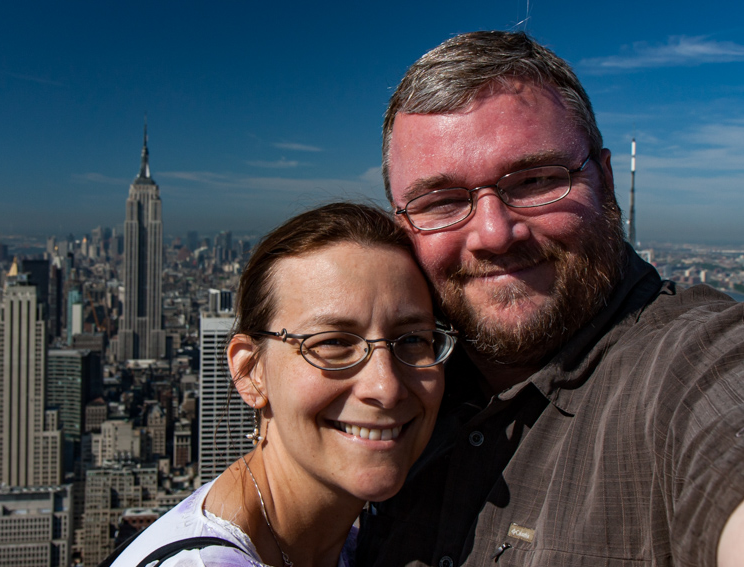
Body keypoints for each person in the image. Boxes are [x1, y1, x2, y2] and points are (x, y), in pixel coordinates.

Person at [356, 30, 744, 567]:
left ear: (605, 181)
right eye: (442, 201)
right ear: (401, 226)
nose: (493, 233)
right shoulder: (394, 388)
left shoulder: (692, 364)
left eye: (536, 180)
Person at [111, 202, 457, 567]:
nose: (386, 387)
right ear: (250, 371)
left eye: (413, 339)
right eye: (333, 343)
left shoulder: (350, 546)